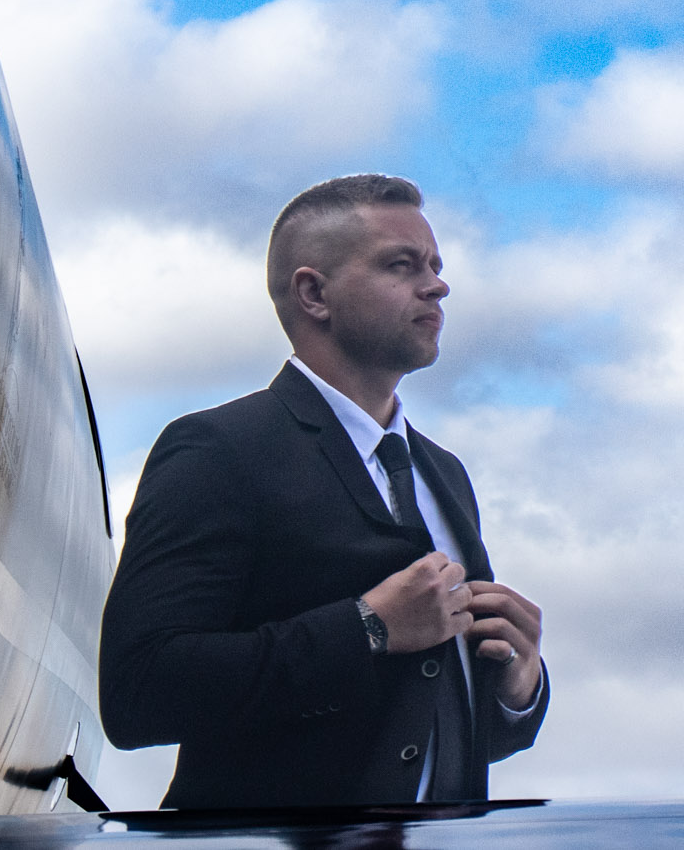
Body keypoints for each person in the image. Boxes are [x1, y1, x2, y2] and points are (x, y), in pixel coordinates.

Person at [99, 174, 546, 806]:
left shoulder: (446, 474)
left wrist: (518, 688)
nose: (438, 284)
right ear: (314, 293)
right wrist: (367, 628)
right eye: (401, 265)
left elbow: (427, 720)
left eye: (436, 266)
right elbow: (138, 691)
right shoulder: (217, 450)